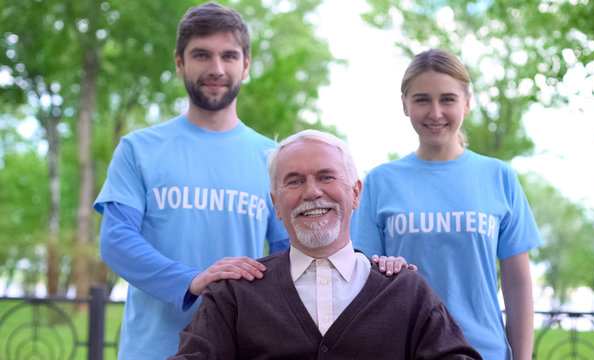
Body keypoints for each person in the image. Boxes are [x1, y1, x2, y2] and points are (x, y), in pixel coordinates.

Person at [169, 129, 482, 359]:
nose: (311, 192)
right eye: (294, 180)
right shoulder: (234, 294)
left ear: (356, 193)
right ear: (276, 204)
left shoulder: (406, 290)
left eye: (326, 177)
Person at [93, 3, 291, 358]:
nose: (216, 69)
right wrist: (189, 280)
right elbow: (116, 240)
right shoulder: (139, 148)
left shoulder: (275, 158)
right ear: (179, 62)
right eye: (202, 55)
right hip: (152, 350)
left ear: (245, 65)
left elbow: (287, 256)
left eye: (229, 56)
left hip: (240, 348)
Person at [352, 49, 543, 360]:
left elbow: (518, 284)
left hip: (484, 352)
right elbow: (364, 282)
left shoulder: (499, 176)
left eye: (448, 99)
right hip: (404, 351)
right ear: (405, 105)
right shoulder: (379, 181)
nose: (435, 112)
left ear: (467, 102)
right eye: (422, 99)